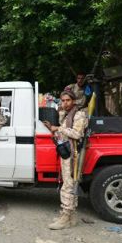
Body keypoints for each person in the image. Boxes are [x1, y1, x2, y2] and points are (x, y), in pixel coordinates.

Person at [43, 90, 88, 230]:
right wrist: (53, 128)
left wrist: (59, 128)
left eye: (68, 100)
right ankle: (70, 216)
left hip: (73, 155)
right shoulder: (67, 114)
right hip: (67, 153)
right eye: (62, 100)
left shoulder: (79, 114)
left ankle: (66, 217)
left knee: (68, 186)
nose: (65, 103)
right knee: (69, 184)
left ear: (73, 101)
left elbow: (76, 133)